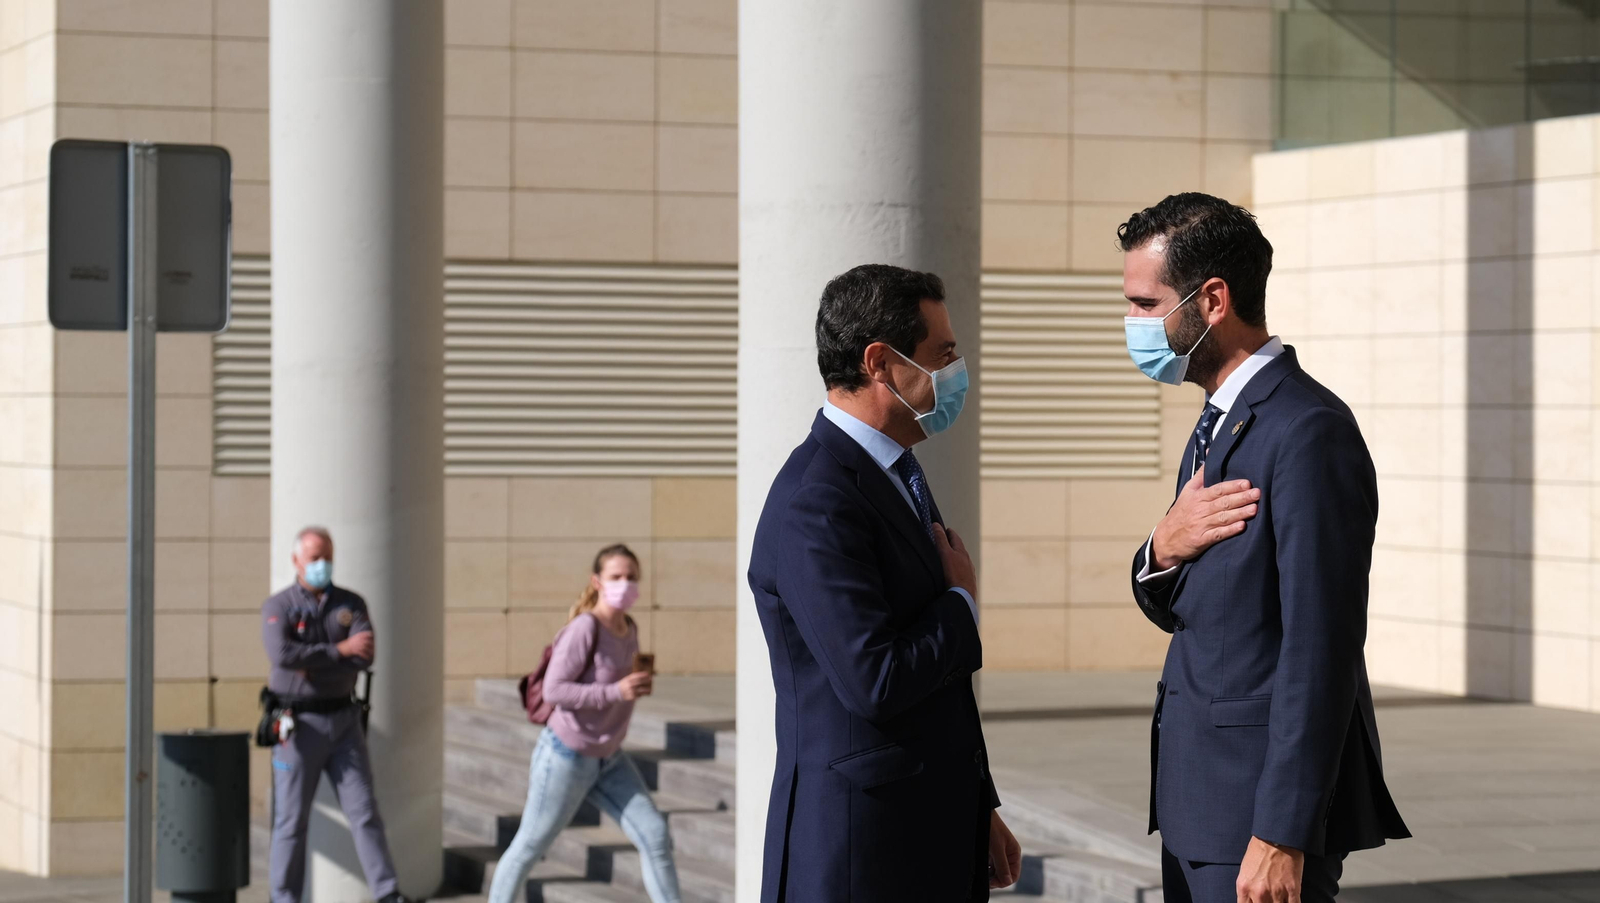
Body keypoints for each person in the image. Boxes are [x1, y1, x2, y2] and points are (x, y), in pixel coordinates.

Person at [1120, 193, 1411, 903]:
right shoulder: (1220, 422)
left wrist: (1283, 830)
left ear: (1212, 298)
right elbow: (1198, 606)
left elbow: (1322, 646)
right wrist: (1162, 545)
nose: (1132, 325)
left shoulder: (1307, 429)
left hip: (1255, 822)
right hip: (1198, 805)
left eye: (1145, 304)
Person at [749, 264, 1021, 903]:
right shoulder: (817, 500)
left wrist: (978, 805)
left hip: (927, 832)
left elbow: (941, 691)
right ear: (880, 362)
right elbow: (875, 679)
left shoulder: (898, 472)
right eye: (942, 354)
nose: (955, 371)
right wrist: (960, 603)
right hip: (859, 856)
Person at [487, 544, 681, 903]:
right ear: (597, 581)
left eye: (632, 577)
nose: (625, 583)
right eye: (616, 577)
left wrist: (634, 686)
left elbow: (616, 689)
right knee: (529, 845)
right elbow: (554, 690)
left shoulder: (630, 628)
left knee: (654, 834)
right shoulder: (584, 627)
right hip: (566, 755)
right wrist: (614, 692)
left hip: (609, 757)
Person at [261, 526, 407, 903]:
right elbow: (283, 656)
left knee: (365, 813)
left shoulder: (350, 604)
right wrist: (340, 651)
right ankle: (284, 898)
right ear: (296, 561)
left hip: (344, 724)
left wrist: (315, 659)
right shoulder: (279, 606)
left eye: (327, 557)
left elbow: (366, 654)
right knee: (291, 822)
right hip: (299, 726)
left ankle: (387, 894)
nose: (321, 565)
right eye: (314, 558)